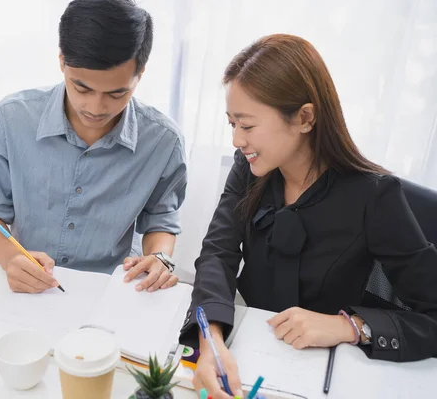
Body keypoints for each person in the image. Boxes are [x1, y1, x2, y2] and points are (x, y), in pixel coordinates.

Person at [179, 34, 437, 398]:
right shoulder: (249, 169)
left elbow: (432, 315)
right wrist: (211, 341)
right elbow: (217, 255)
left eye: (247, 125)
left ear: (305, 118)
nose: (237, 140)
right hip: (255, 362)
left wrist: (349, 327)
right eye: (231, 123)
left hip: (329, 380)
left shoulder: (375, 197)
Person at [0, 0, 186, 295]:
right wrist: (11, 259)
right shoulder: (11, 119)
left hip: (114, 291)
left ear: (141, 74)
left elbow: (161, 219)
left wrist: (160, 257)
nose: (96, 107)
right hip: (30, 290)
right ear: (62, 62)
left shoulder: (164, 141)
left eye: (117, 93)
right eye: (82, 88)